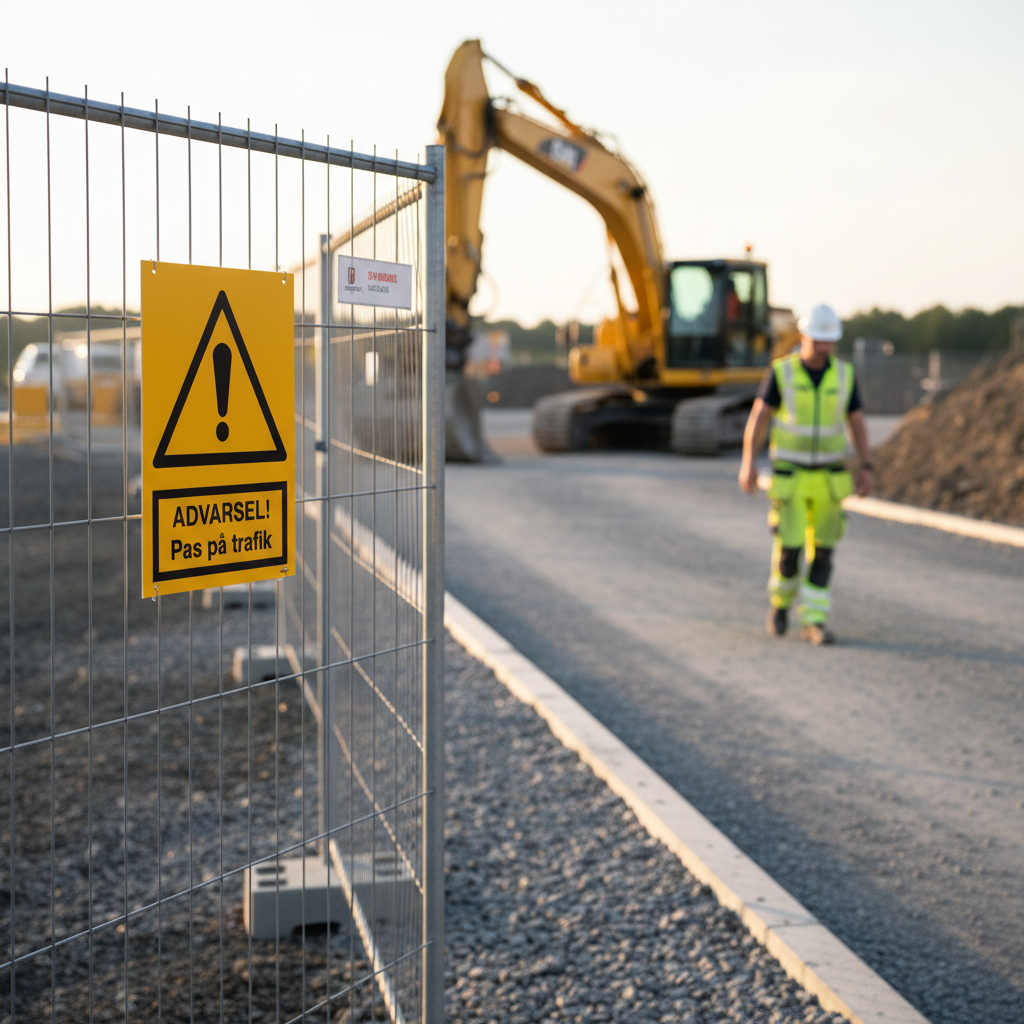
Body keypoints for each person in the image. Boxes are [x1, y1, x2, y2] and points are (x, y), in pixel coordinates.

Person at [738, 303, 873, 644]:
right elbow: (759, 416)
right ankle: (780, 605)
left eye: (830, 341)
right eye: (819, 340)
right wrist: (748, 462)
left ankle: (814, 620)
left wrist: (866, 466)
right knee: (790, 552)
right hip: (791, 479)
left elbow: (856, 421)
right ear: (803, 336)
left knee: (824, 553)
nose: (824, 347)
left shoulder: (844, 375)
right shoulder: (782, 372)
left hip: (829, 480)